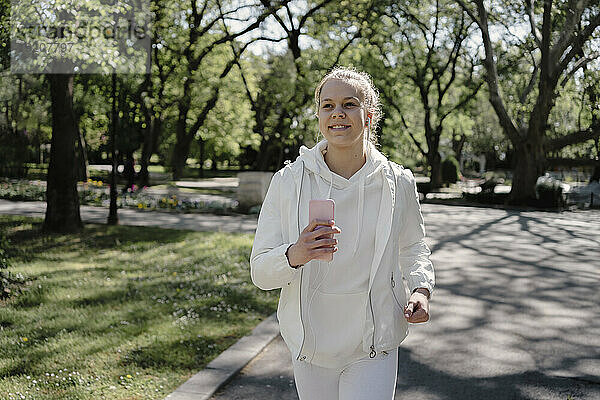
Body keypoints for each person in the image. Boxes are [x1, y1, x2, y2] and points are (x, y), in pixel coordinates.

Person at [250, 66, 435, 400]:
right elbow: (261, 272)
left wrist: (421, 288)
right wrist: (295, 254)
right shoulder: (289, 182)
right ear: (319, 116)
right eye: (328, 105)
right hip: (312, 347)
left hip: (373, 346)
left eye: (349, 104)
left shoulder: (398, 183)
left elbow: (413, 247)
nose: (337, 113)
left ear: (368, 115)